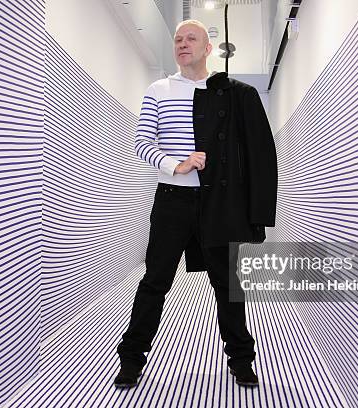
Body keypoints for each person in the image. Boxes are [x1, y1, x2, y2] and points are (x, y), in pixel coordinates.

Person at [114, 19, 277, 388]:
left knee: (228, 284)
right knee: (155, 281)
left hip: (220, 202)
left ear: (207, 48)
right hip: (172, 200)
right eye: (177, 39)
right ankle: (131, 359)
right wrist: (177, 164)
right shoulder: (159, 89)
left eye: (191, 39)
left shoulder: (235, 94)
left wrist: (257, 215)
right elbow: (142, 143)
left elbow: (259, 157)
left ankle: (241, 360)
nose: (182, 43)